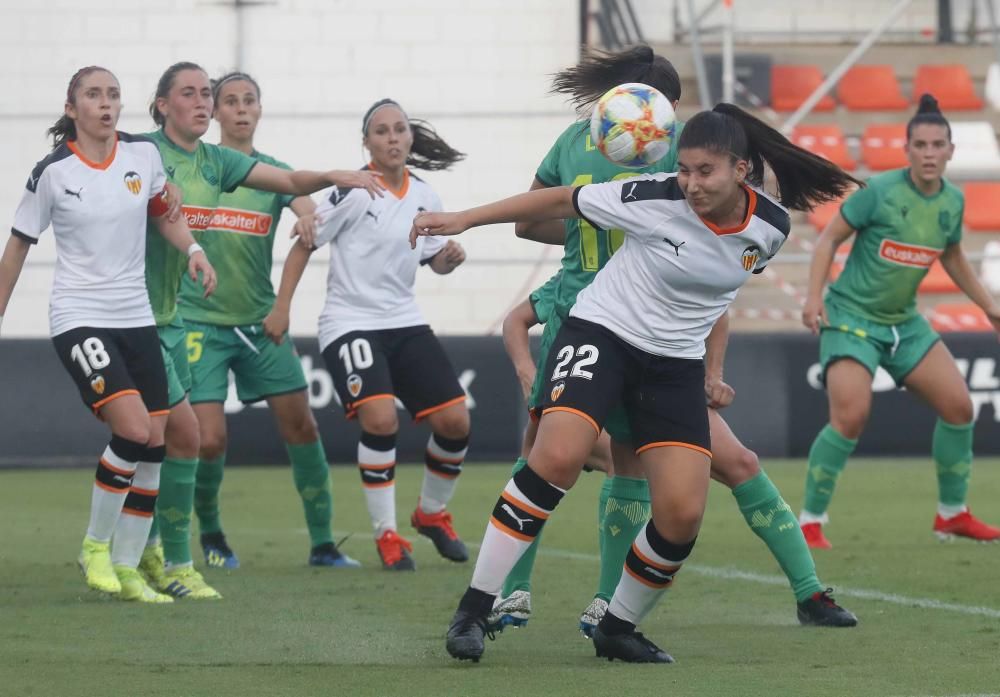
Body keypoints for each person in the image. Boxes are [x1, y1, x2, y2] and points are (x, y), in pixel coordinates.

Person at [412, 102, 861, 663]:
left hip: (672, 366)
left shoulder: (770, 230)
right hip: (602, 333)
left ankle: (617, 626)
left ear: (740, 171)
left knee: (681, 515)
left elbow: (715, 296)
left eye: (705, 171)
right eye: (685, 169)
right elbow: (557, 201)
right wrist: (463, 219)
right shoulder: (652, 197)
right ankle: (474, 610)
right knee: (557, 457)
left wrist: (710, 369)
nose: (691, 183)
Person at [139, 62, 383, 598]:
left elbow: (299, 196)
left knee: (302, 427)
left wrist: (306, 213)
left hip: (259, 321)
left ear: (259, 110)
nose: (237, 109)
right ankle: (212, 538)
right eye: (227, 101)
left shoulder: (256, 169)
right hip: (195, 321)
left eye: (248, 100)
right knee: (204, 438)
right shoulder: (182, 162)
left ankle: (322, 542)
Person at [0, 66, 215, 602]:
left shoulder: (143, 156)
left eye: (113, 95)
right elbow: (19, 244)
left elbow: (166, 213)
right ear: (72, 108)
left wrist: (192, 249)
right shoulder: (53, 172)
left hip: (135, 316)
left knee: (156, 442)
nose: (106, 103)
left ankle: (126, 569)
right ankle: (95, 547)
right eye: (93, 95)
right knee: (134, 430)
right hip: (79, 317)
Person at [265, 98, 470, 571]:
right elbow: (305, 243)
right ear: (367, 142)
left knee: (456, 423)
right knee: (380, 420)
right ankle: (388, 536)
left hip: (404, 319)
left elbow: (431, 259)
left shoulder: (425, 195)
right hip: (350, 322)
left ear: (410, 139)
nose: (393, 138)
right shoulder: (354, 192)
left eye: (400, 129)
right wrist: (282, 308)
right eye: (382, 131)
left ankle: (432, 514)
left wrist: (448, 259)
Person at [799, 94, 1000, 548]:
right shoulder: (879, 192)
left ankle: (952, 515)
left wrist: (989, 306)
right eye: (921, 145)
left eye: (937, 145)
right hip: (851, 318)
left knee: (959, 408)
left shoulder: (952, 201)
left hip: (904, 324)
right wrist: (814, 297)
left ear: (950, 151)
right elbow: (828, 240)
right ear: (907, 149)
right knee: (851, 417)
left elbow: (951, 256)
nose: (929, 153)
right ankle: (809, 521)